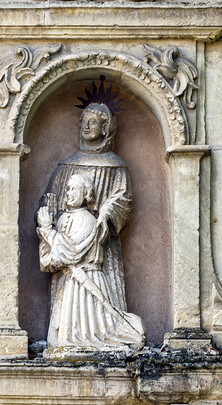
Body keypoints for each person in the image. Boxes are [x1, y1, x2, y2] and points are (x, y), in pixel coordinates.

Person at [36, 101, 145, 350]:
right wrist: (48, 213)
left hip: (98, 244)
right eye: (83, 119)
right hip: (67, 239)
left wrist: (106, 213)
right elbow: (52, 200)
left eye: (92, 121)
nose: (85, 125)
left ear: (106, 128)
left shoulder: (116, 166)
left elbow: (123, 199)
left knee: (97, 305)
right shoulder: (67, 165)